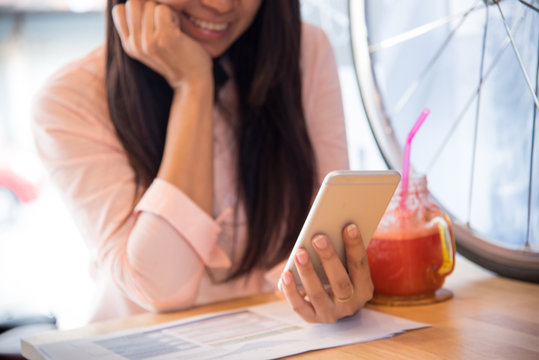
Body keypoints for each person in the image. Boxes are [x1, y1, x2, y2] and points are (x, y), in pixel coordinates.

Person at [32, 0, 373, 326]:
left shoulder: (304, 50)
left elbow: (329, 233)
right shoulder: (68, 100)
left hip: (282, 340)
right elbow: (162, 288)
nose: (221, 5)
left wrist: (334, 285)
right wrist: (193, 85)